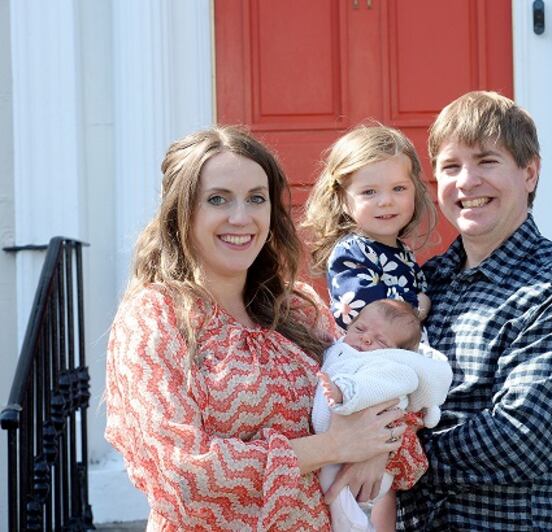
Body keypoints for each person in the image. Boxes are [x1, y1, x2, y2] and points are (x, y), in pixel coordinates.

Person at [103, 126, 428, 531]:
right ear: (182, 210)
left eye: (256, 198)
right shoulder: (155, 315)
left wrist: (376, 447)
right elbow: (183, 475)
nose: (241, 218)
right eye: (218, 199)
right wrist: (333, 446)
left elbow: (386, 396)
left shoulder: (298, 307)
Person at [395, 91, 552, 531]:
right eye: (450, 167)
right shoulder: (425, 281)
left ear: (529, 173)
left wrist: (388, 455)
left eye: (487, 161)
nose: (466, 182)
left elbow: (520, 438)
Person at [312, 299, 453, 532]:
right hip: (348, 448)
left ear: (397, 352)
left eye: (381, 341)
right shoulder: (340, 348)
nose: (366, 338)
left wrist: (343, 391)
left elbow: (373, 387)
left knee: (333, 487)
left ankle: (355, 526)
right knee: (330, 486)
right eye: (360, 328)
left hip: (375, 456)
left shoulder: (389, 366)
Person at [302, 123, 437, 329]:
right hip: (369, 347)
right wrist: (418, 305)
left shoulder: (401, 250)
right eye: (369, 192)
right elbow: (364, 311)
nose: (386, 201)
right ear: (342, 200)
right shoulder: (352, 251)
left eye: (398, 188)